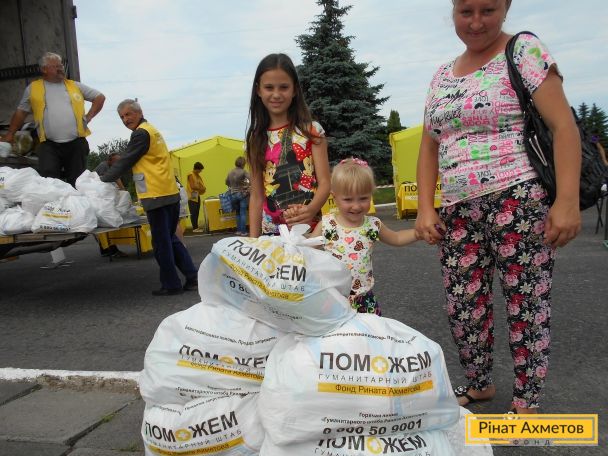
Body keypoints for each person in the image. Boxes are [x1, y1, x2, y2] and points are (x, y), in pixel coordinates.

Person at [415, 0, 581, 415]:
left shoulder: (524, 51)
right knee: (464, 307)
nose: (476, 22)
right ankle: (480, 384)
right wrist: (425, 208)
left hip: (518, 200)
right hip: (457, 210)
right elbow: (429, 145)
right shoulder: (441, 75)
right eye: (465, 11)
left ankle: (527, 402)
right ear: (453, 10)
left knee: (526, 303)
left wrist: (567, 201)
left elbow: (563, 126)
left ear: (505, 7)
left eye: (487, 10)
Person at [100, 99, 198, 296]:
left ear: (139, 112)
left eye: (128, 114)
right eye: (122, 117)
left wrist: (102, 179)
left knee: (161, 243)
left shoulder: (140, 133)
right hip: (169, 192)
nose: (125, 120)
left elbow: (126, 160)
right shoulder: (152, 130)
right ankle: (192, 277)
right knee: (170, 239)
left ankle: (171, 285)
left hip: (156, 195)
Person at [309, 158, 420, 315]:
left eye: (363, 198)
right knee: (337, 332)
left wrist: (417, 233)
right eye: (348, 199)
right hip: (333, 299)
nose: (356, 206)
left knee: (371, 330)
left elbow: (396, 238)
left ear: (371, 195)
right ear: (334, 197)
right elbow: (306, 252)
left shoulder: (372, 225)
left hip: (364, 299)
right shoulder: (327, 225)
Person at [245, 53, 330, 237]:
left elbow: (325, 182)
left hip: (309, 231)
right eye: (269, 87)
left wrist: (311, 210)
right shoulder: (256, 139)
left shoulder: (312, 131)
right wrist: (253, 241)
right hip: (271, 236)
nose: (276, 94)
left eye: (283, 87)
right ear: (258, 90)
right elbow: (257, 196)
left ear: (295, 90)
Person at [1, 52, 105, 187]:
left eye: (61, 65)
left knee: (78, 181)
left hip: (76, 143)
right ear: (44, 69)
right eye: (56, 66)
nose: (61, 68)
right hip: (48, 145)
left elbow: (99, 97)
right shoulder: (33, 89)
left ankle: (76, 201)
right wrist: (10, 134)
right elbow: (21, 113)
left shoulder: (75, 86)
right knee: (49, 181)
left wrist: (89, 116)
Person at [94, 152, 128, 258]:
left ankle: (107, 250)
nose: (118, 163)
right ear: (110, 160)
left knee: (105, 225)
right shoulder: (103, 166)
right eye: (116, 161)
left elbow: (117, 179)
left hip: (102, 198)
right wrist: (123, 191)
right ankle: (109, 250)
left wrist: (123, 191)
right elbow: (108, 181)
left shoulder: (113, 167)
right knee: (104, 225)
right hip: (97, 199)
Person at [225, 156, 250, 235]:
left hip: (233, 194)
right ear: (243, 164)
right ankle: (243, 232)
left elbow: (226, 182)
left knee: (237, 213)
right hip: (241, 194)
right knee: (243, 213)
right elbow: (251, 180)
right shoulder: (243, 171)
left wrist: (232, 186)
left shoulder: (230, 172)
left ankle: (238, 231)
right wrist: (246, 185)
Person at [187, 162, 206, 233]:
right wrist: (201, 188)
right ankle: (195, 228)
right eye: (200, 170)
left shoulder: (197, 175)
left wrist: (202, 188)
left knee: (197, 211)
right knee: (193, 212)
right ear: (197, 169)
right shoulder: (191, 174)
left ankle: (196, 227)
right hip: (192, 195)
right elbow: (192, 186)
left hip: (196, 195)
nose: (200, 171)